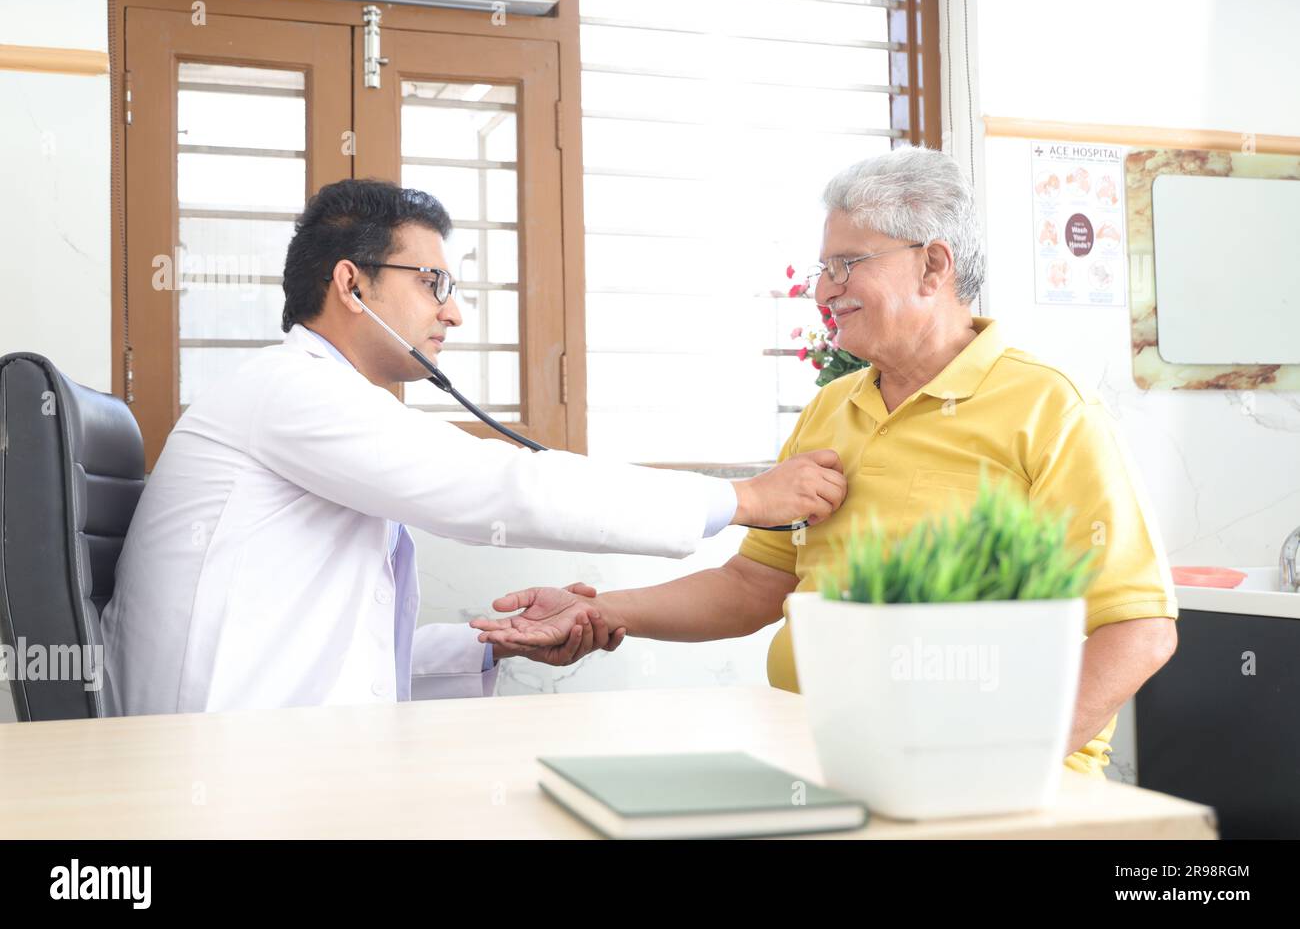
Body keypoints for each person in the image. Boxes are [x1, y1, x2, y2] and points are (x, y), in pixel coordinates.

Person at [471, 147, 1179, 777]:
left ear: (934, 264)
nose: (823, 289)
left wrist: (1006, 765)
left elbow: (1139, 628)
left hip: (976, 789)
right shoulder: (832, 408)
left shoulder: (1047, 408)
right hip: (815, 757)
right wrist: (597, 610)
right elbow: (755, 583)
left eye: (848, 264)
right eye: (822, 267)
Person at [101, 179, 847, 716]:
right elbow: (498, 488)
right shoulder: (290, 391)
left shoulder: (311, 400)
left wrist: (491, 646)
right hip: (223, 778)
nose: (453, 311)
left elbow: (338, 650)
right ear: (350, 284)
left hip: (262, 757)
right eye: (433, 282)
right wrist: (744, 498)